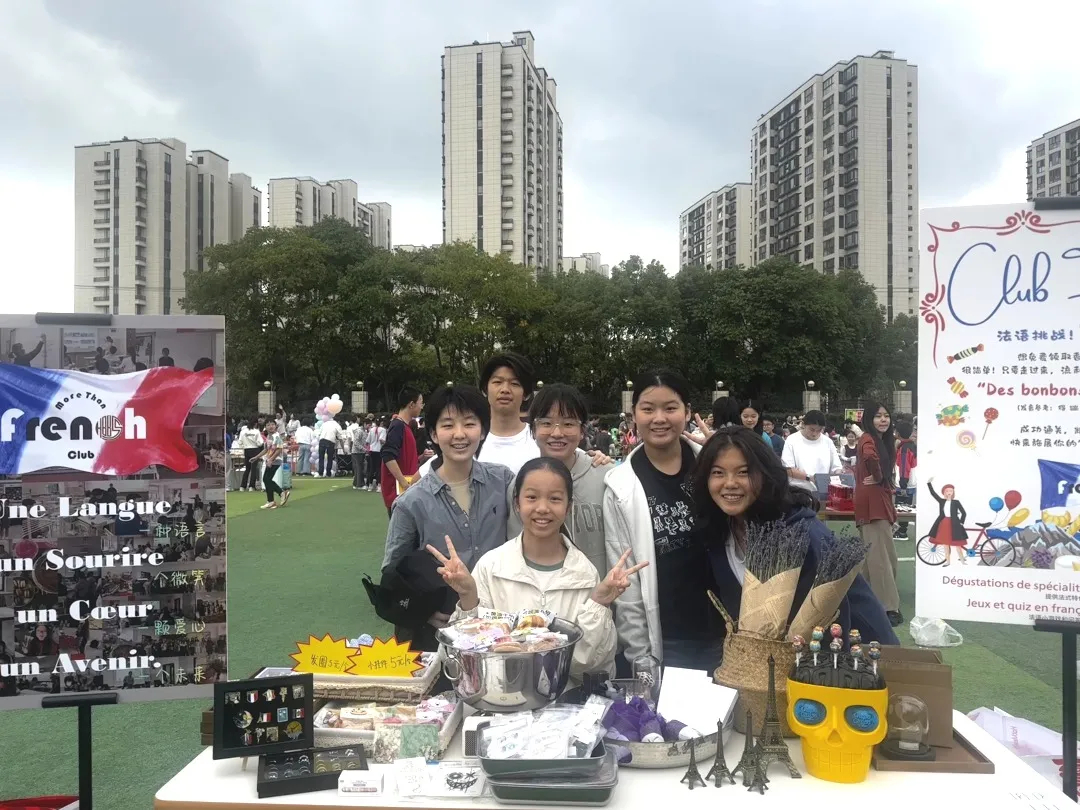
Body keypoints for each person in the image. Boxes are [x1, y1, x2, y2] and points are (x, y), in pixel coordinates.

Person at [433, 457, 643, 680]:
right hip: (500, 696)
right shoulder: (491, 566)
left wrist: (599, 603)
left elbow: (589, 666)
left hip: (565, 698)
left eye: (555, 499)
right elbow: (460, 663)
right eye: (532, 497)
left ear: (568, 507)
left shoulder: (584, 574)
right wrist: (468, 597)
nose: (542, 508)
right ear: (517, 503)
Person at [694, 426, 898, 652]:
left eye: (743, 472)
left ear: (765, 474)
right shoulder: (720, 531)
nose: (730, 483)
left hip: (860, 654)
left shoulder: (802, 535)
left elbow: (832, 622)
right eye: (718, 473)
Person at [382, 384, 515, 650]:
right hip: (443, 635)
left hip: (501, 627)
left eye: (469, 423)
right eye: (448, 425)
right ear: (433, 433)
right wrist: (422, 611)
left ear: (483, 430)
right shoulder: (411, 503)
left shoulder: (503, 481)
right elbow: (391, 573)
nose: (459, 434)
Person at [603, 370, 712, 670]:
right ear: (634, 415)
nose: (659, 418)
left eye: (671, 408)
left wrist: (731, 452)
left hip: (729, 631)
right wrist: (641, 657)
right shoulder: (620, 487)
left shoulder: (712, 466)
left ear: (687, 412)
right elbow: (626, 578)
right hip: (667, 638)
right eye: (648, 409)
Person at [509, 383, 614, 576]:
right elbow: (515, 553)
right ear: (533, 430)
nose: (557, 433)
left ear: (582, 431)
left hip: (600, 590)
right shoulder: (520, 485)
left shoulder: (607, 478)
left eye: (568, 424)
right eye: (546, 423)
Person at [856, 403, 902, 626]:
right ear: (868, 419)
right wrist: (878, 476)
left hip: (876, 500)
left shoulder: (880, 440)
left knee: (874, 556)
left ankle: (863, 602)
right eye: (877, 416)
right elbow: (869, 456)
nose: (883, 420)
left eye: (886, 416)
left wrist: (880, 477)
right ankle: (888, 607)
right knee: (881, 558)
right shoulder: (868, 438)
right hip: (873, 503)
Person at [475, 352, 541, 473]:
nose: (505, 390)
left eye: (514, 384)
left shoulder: (540, 439)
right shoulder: (469, 440)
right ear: (485, 389)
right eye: (497, 382)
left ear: (526, 394)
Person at [380, 387, 425, 516]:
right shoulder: (398, 425)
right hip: (399, 494)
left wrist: (422, 457)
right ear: (411, 404)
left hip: (405, 492)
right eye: (421, 402)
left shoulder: (404, 426)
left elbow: (404, 458)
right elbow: (388, 455)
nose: (422, 406)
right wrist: (404, 483)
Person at [781, 410, 843, 481]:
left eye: (819, 430)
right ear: (803, 424)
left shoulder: (827, 442)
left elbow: (836, 467)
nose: (814, 433)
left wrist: (838, 473)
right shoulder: (792, 440)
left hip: (823, 485)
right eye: (812, 429)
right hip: (799, 486)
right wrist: (809, 478)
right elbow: (788, 469)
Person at [927, 478, 968, 567]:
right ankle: (947, 561)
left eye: (951, 491)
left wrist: (961, 522)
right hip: (944, 523)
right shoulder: (941, 501)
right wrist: (929, 484)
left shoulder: (956, 502)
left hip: (955, 524)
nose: (949, 492)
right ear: (944, 493)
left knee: (958, 544)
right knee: (945, 544)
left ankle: (962, 561)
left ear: (953, 492)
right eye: (947, 491)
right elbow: (933, 494)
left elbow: (964, 513)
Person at [252, 418, 289, 509]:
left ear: (275, 426)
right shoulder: (268, 436)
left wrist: (271, 460)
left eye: (272, 424)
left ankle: (281, 493)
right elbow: (266, 449)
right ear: (265, 427)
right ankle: (271, 501)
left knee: (266, 479)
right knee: (267, 479)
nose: (270, 426)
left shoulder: (277, 436)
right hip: (270, 460)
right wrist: (256, 457)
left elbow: (279, 449)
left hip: (275, 460)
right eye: (268, 425)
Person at [237, 419, 265, 491]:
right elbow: (260, 443)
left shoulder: (243, 431)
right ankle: (251, 486)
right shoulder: (256, 431)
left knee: (247, 468)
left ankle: (242, 486)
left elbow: (239, 442)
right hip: (255, 450)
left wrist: (244, 445)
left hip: (246, 450)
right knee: (253, 469)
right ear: (255, 424)